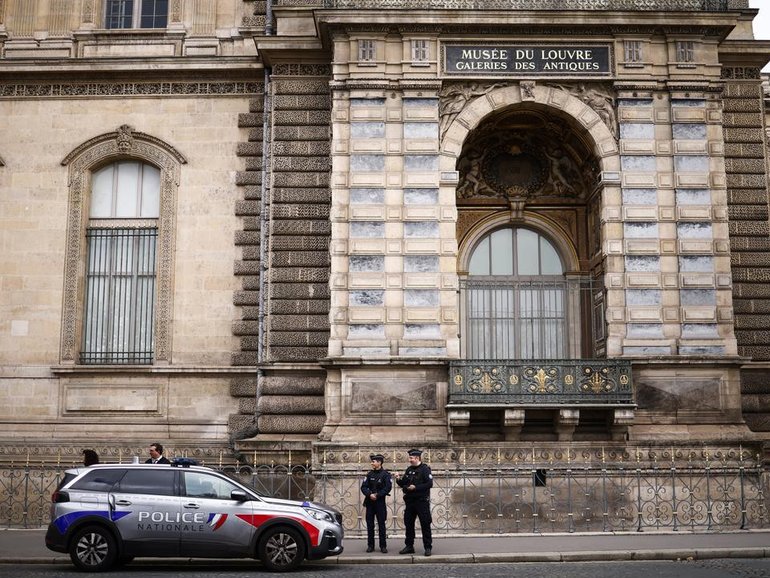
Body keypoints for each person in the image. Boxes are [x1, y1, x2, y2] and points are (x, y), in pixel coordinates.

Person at [395, 448, 433, 556]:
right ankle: (409, 546)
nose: (410, 459)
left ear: (417, 458)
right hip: (410, 502)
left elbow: (429, 484)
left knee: (425, 524)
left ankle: (428, 547)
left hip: (421, 502)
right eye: (410, 457)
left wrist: (415, 487)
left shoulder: (425, 469)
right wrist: (398, 479)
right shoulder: (409, 469)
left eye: (411, 458)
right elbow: (404, 483)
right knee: (409, 524)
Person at [360, 453, 392, 553]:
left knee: (381, 524)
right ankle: (370, 545)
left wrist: (377, 495)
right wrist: (370, 494)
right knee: (370, 525)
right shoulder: (369, 474)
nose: (372, 463)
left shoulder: (386, 475)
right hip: (370, 503)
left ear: (379, 462)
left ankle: (383, 546)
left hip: (380, 503)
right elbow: (363, 487)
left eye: (373, 462)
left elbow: (387, 488)